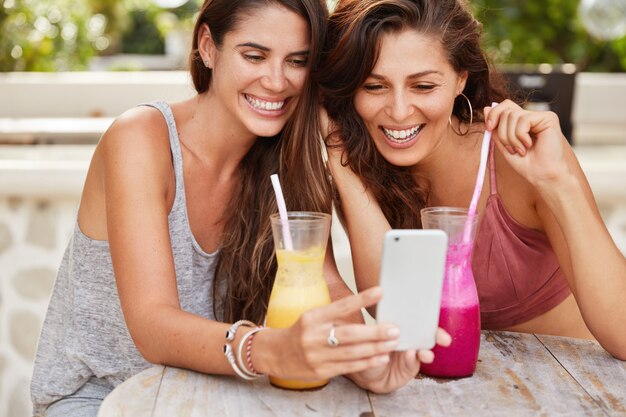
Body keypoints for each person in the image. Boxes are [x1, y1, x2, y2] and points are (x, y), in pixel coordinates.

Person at [31, 1, 452, 416]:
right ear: (208, 46)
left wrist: (367, 362)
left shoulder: (285, 163)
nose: (276, 81)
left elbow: (325, 284)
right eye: (254, 55)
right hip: (99, 399)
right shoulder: (140, 139)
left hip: (210, 398)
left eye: (298, 61)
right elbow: (153, 327)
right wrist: (266, 349)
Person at [315, 0, 626, 359]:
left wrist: (559, 180)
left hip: (580, 388)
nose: (399, 111)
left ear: (460, 77)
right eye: (374, 87)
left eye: (424, 86)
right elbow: (396, 310)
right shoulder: (363, 161)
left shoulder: (517, 158)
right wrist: (340, 157)